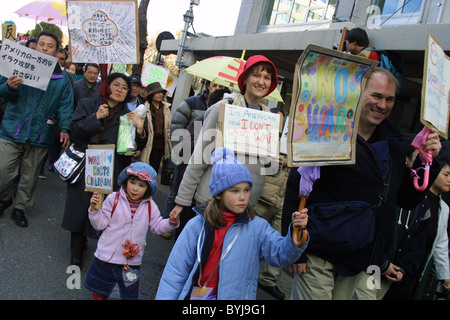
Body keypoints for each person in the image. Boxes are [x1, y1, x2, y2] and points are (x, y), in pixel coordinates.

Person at [282, 67, 443, 300]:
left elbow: (406, 200)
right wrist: (293, 251)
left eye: (390, 99)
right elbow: (296, 189)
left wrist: (429, 161)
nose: (382, 105)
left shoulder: (394, 145)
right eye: (376, 96)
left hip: (360, 258)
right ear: (357, 93)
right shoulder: (327, 132)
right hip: (318, 250)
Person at [156, 147, 309, 300]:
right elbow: (175, 273)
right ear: (218, 194)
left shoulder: (258, 227)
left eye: (247, 190)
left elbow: (281, 255)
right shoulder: (196, 226)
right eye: (235, 191)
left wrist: (296, 234)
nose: (243, 197)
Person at [170, 55, 281, 220]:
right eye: (256, 75)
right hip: (212, 201)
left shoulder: (269, 118)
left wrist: (275, 163)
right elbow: (199, 158)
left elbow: (269, 170)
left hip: (245, 206)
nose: (261, 81)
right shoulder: (222, 110)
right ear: (244, 79)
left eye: (267, 77)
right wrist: (182, 201)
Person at [61, 72, 147, 268]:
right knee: (79, 206)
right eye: (116, 85)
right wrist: (96, 118)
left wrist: (140, 129)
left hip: (113, 165)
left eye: (124, 88)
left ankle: (100, 247)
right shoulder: (89, 104)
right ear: (107, 86)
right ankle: (76, 251)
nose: (120, 90)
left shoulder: (129, 114)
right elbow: (74, 131)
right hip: (86, 162)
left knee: (103, 208)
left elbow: (137, 145)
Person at [0, 30, 74, 227]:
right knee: (3, 171)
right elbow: (2, 91)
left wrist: (64, 128)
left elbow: (65, 105)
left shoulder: (62, 78)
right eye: (42, 44)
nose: (45, 48)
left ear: (56, 52)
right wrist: (10, 86)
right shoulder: (17, 64)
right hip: (13, 129)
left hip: (41, 133)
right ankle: (5, 198)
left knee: (29, 176)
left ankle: (20, 208)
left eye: (50, 46)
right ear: (35, 46)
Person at [85, 162, 179, 300]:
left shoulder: (150, 206)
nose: (135, 188)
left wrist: (171, 223)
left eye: (141, 185)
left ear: (148, 188)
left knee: (127, 296)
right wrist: (94, 209)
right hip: (105, 258)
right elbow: (100, 224)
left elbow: (157, 226)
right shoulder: (113, 199)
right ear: (125, 181)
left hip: (130, 262)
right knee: (99, 295)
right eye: (132, 182)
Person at [381, 141, 450, 300]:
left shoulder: (443, 208)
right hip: (383, 265)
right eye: (445, 174)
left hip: (409, 271)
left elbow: (440, 243)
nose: (449, 179)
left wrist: (444, 274)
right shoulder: (412, 195)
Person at [136, 81, 172, 173]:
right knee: (143, 169)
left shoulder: (166, 108)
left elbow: (168, 129)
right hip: (147, 143)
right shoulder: (144, 108)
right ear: (151, 94)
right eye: (157, 92)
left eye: (161, 92)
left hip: (160, 145)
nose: (160, 95)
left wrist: (170, 146)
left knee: (154, 170)